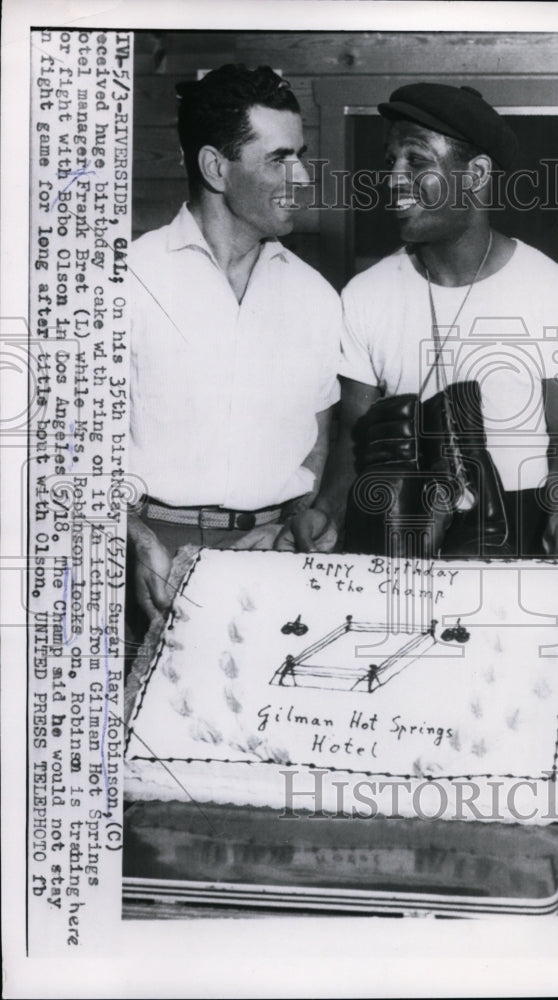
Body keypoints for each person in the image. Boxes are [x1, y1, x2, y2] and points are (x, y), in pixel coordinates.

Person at [289, 82, 558, 559]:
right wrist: (327, 511)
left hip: (516, 536)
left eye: (416, 162)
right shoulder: (365, 295)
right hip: (401, 532)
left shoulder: (556, 294)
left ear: (474, 174)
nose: (393, 177)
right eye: (390, 161)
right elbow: (354, 441)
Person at [127, 65, 341, 640]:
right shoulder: (125, 281)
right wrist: (138, 540)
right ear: (215, 168)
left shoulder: (315, 296)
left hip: (271, 561)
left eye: (301, 155)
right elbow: (66, 457)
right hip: (152, 561)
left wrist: (295, 518)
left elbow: (317, 431)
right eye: (279, 159)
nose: (301, 178)